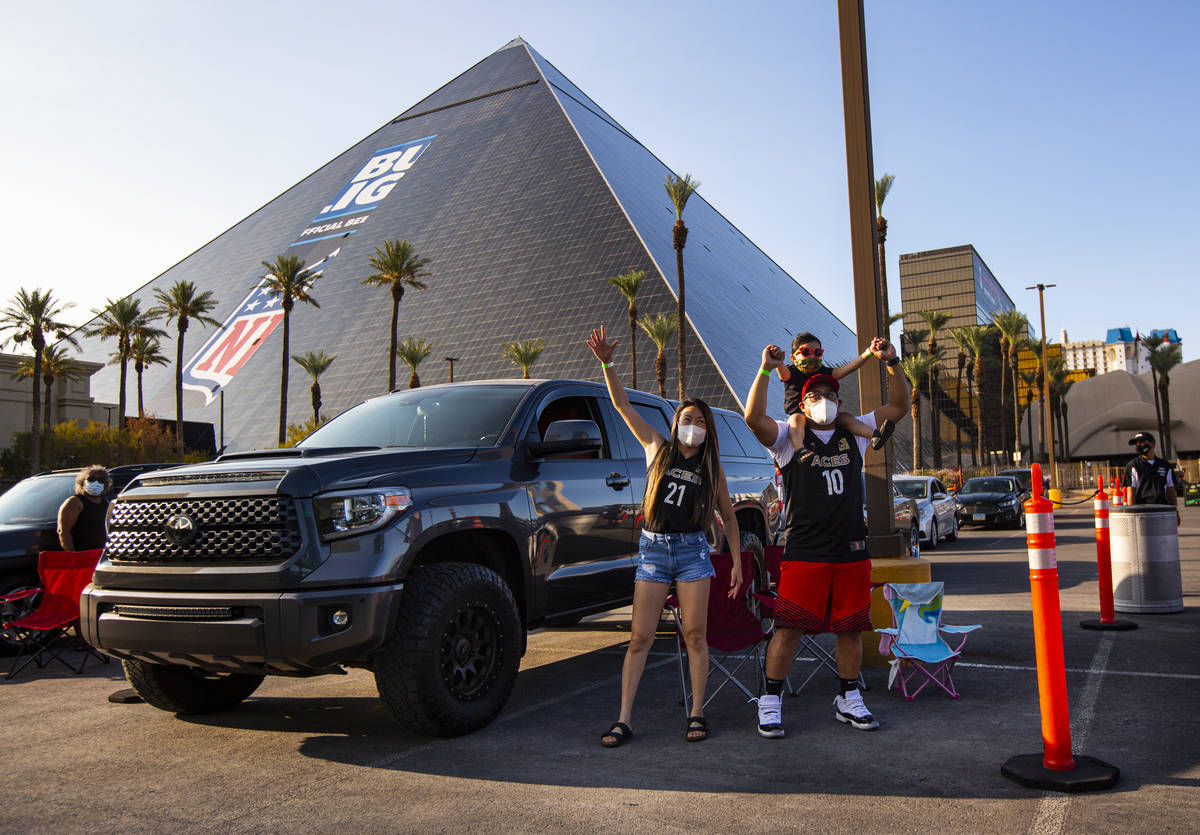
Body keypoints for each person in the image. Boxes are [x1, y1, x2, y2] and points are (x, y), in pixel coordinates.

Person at [744, 339, 909, 737]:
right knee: (790, 628)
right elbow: (753, 418)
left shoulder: (854, 432)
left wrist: (893, 363)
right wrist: (765, 369)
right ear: (802, 403)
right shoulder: (787, 437)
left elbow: (900, 407)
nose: (824, 399)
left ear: (839, 399)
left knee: (850, 628)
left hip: (851, 548)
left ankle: (848, 696)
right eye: (814, 394)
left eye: (829, 394)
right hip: (805, 549)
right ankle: (770, 698)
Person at [587, 325, 742, 746]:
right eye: (686, 419)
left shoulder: (711, 467)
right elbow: (621, 406)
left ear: (708, 430)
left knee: (694, 635)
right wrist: (607, 363)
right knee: (640, 637)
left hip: (693, 552)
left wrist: (738, 566)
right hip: (653, 551)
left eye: (699, 422)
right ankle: (623, 719)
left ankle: (697, 712)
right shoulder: (657, 446)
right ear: (675, 424)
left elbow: (729, 516)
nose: (692, 426)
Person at [776, 332, 893, 450]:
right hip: (801, 415)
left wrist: (869, 351)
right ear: (793, 358)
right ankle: (799, 450)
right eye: (806, 352)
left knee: (845, 417)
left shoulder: (824, 372)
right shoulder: (792, 372)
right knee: (796, 420)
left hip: (825, 415)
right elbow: (783, 373)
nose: (812, 356)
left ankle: (874, 435)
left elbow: (849, 367)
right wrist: (778, 361)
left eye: (817, 352)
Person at [1124, 432, 1180, 526]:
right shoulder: (1133, 466)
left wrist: (1176, 512)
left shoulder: (1165, 465)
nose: (1138, 445)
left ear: (1152, 444)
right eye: (1137, 443)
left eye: (1141, 442)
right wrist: (1131, 516)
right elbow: (1131, 493)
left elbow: (1171, 490)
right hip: (1142, 512)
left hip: (1162, 510)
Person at [58, 465, 112, 552]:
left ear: (105, 484)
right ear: (83, 482)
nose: (96, 483)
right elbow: (63, 531)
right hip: (81, 554)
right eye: (91, 479)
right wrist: (73, 555)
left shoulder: (105, 504)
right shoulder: (74, 502)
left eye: (100, 480)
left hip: (100, 556)